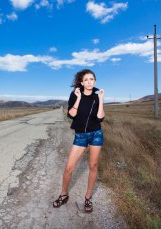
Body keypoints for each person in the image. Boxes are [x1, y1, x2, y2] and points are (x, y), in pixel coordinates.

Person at [53, 69, 105, 213]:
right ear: (81, 82)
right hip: (81, 135)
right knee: (69, 167)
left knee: (93, 165)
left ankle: (88, 197)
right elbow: (71, 114)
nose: (89, 82)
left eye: (92, 79)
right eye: (86, 79)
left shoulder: (97, 96)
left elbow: (100, 117)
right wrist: (79, 98)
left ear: (95, 81)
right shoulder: (75, 94)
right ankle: (63, 195)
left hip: (96, 134)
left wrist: (100, 99)